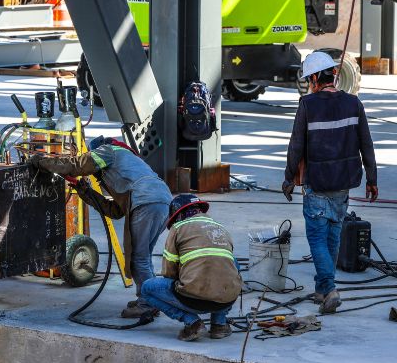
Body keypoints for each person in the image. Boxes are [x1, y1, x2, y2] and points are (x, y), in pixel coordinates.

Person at [28, 135, 173, 318]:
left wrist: (42, 162)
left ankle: (147, 304)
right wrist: (86, 192)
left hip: (146, 202)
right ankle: (150, 299)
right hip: (161, 202)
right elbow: (115, 211)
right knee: (143, 256)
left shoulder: (108, 151)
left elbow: (76, 165)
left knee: (139, 258)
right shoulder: (129, 164)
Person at [282, 51, 378, 314]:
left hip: (317, 183)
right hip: (343, 183)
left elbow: (296, 146)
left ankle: (330, 288)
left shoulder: (307, 105)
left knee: (317, 238)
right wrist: (372, 179)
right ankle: (322, 289)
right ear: (333, 74)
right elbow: (366, 143)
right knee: (333, 236)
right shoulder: (354, 104)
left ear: (314, 78)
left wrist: (289, 177)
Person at [140, 194, 242, 342]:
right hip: (227, 298)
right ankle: (219, 325)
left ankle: (192, 322)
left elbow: (169, 273)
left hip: (193, 300)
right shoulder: (220, 227)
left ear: (179, 214)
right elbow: (228, 268)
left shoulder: (178, 227)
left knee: (147, 288)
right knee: (231, 264)